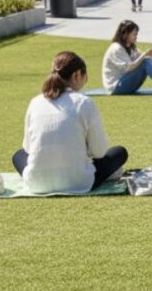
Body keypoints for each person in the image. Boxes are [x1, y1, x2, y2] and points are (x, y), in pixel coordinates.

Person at [14, 51, 128, 194]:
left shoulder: (35, 102)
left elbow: (28, 148)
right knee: (119, 152)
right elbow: (99, 152)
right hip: (77, 181)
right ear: (76, 75)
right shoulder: (84, 102)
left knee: (18, 155)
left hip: (37, 183)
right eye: (85, 76)